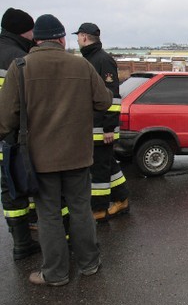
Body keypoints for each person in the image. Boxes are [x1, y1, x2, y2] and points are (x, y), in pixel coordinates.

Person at [0, 14, 112, 286]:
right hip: (78, 155)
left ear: (36, 39)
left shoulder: (21, 67)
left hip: (40, 158)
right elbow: (105, 101)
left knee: (48, 214)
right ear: (62, 39)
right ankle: (89, 264)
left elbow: (6, 119)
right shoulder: (81, 65)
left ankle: (56, 273)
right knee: (81, 209)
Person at [74, 23, 129, 221]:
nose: (77, 40)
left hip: (101, 129)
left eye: (78, 36)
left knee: (98, 171)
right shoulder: (89, 59)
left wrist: (108, 128)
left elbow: (113, 97)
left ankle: (98, 211)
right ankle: (122, 200)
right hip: (91, 127)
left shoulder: (102, 60)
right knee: (108, 166)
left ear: (85, 37)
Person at [0, 7, 40, 260]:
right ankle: (25, 243)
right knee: (25, 183)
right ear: (24, 31)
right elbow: (23, 104)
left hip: (5, 136)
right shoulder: (17, 60)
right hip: (14, 136)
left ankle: (21, 241)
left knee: (10, 188)